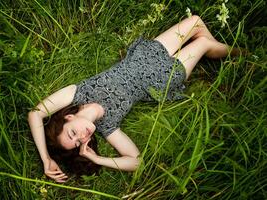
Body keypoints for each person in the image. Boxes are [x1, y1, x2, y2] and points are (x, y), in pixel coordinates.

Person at [28, 15, 241, 183]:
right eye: (78, 143)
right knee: (202, 41)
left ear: (69, 117)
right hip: (164, 76)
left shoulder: (78, 92)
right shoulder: (108, 126)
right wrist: (95, 158)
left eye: (73, 133)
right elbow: (137, 162)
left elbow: (36, 113)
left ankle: (223, 52)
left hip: (146, 54)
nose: (82, 137)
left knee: (195, 21)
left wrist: (46, 158)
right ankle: (240, 53)